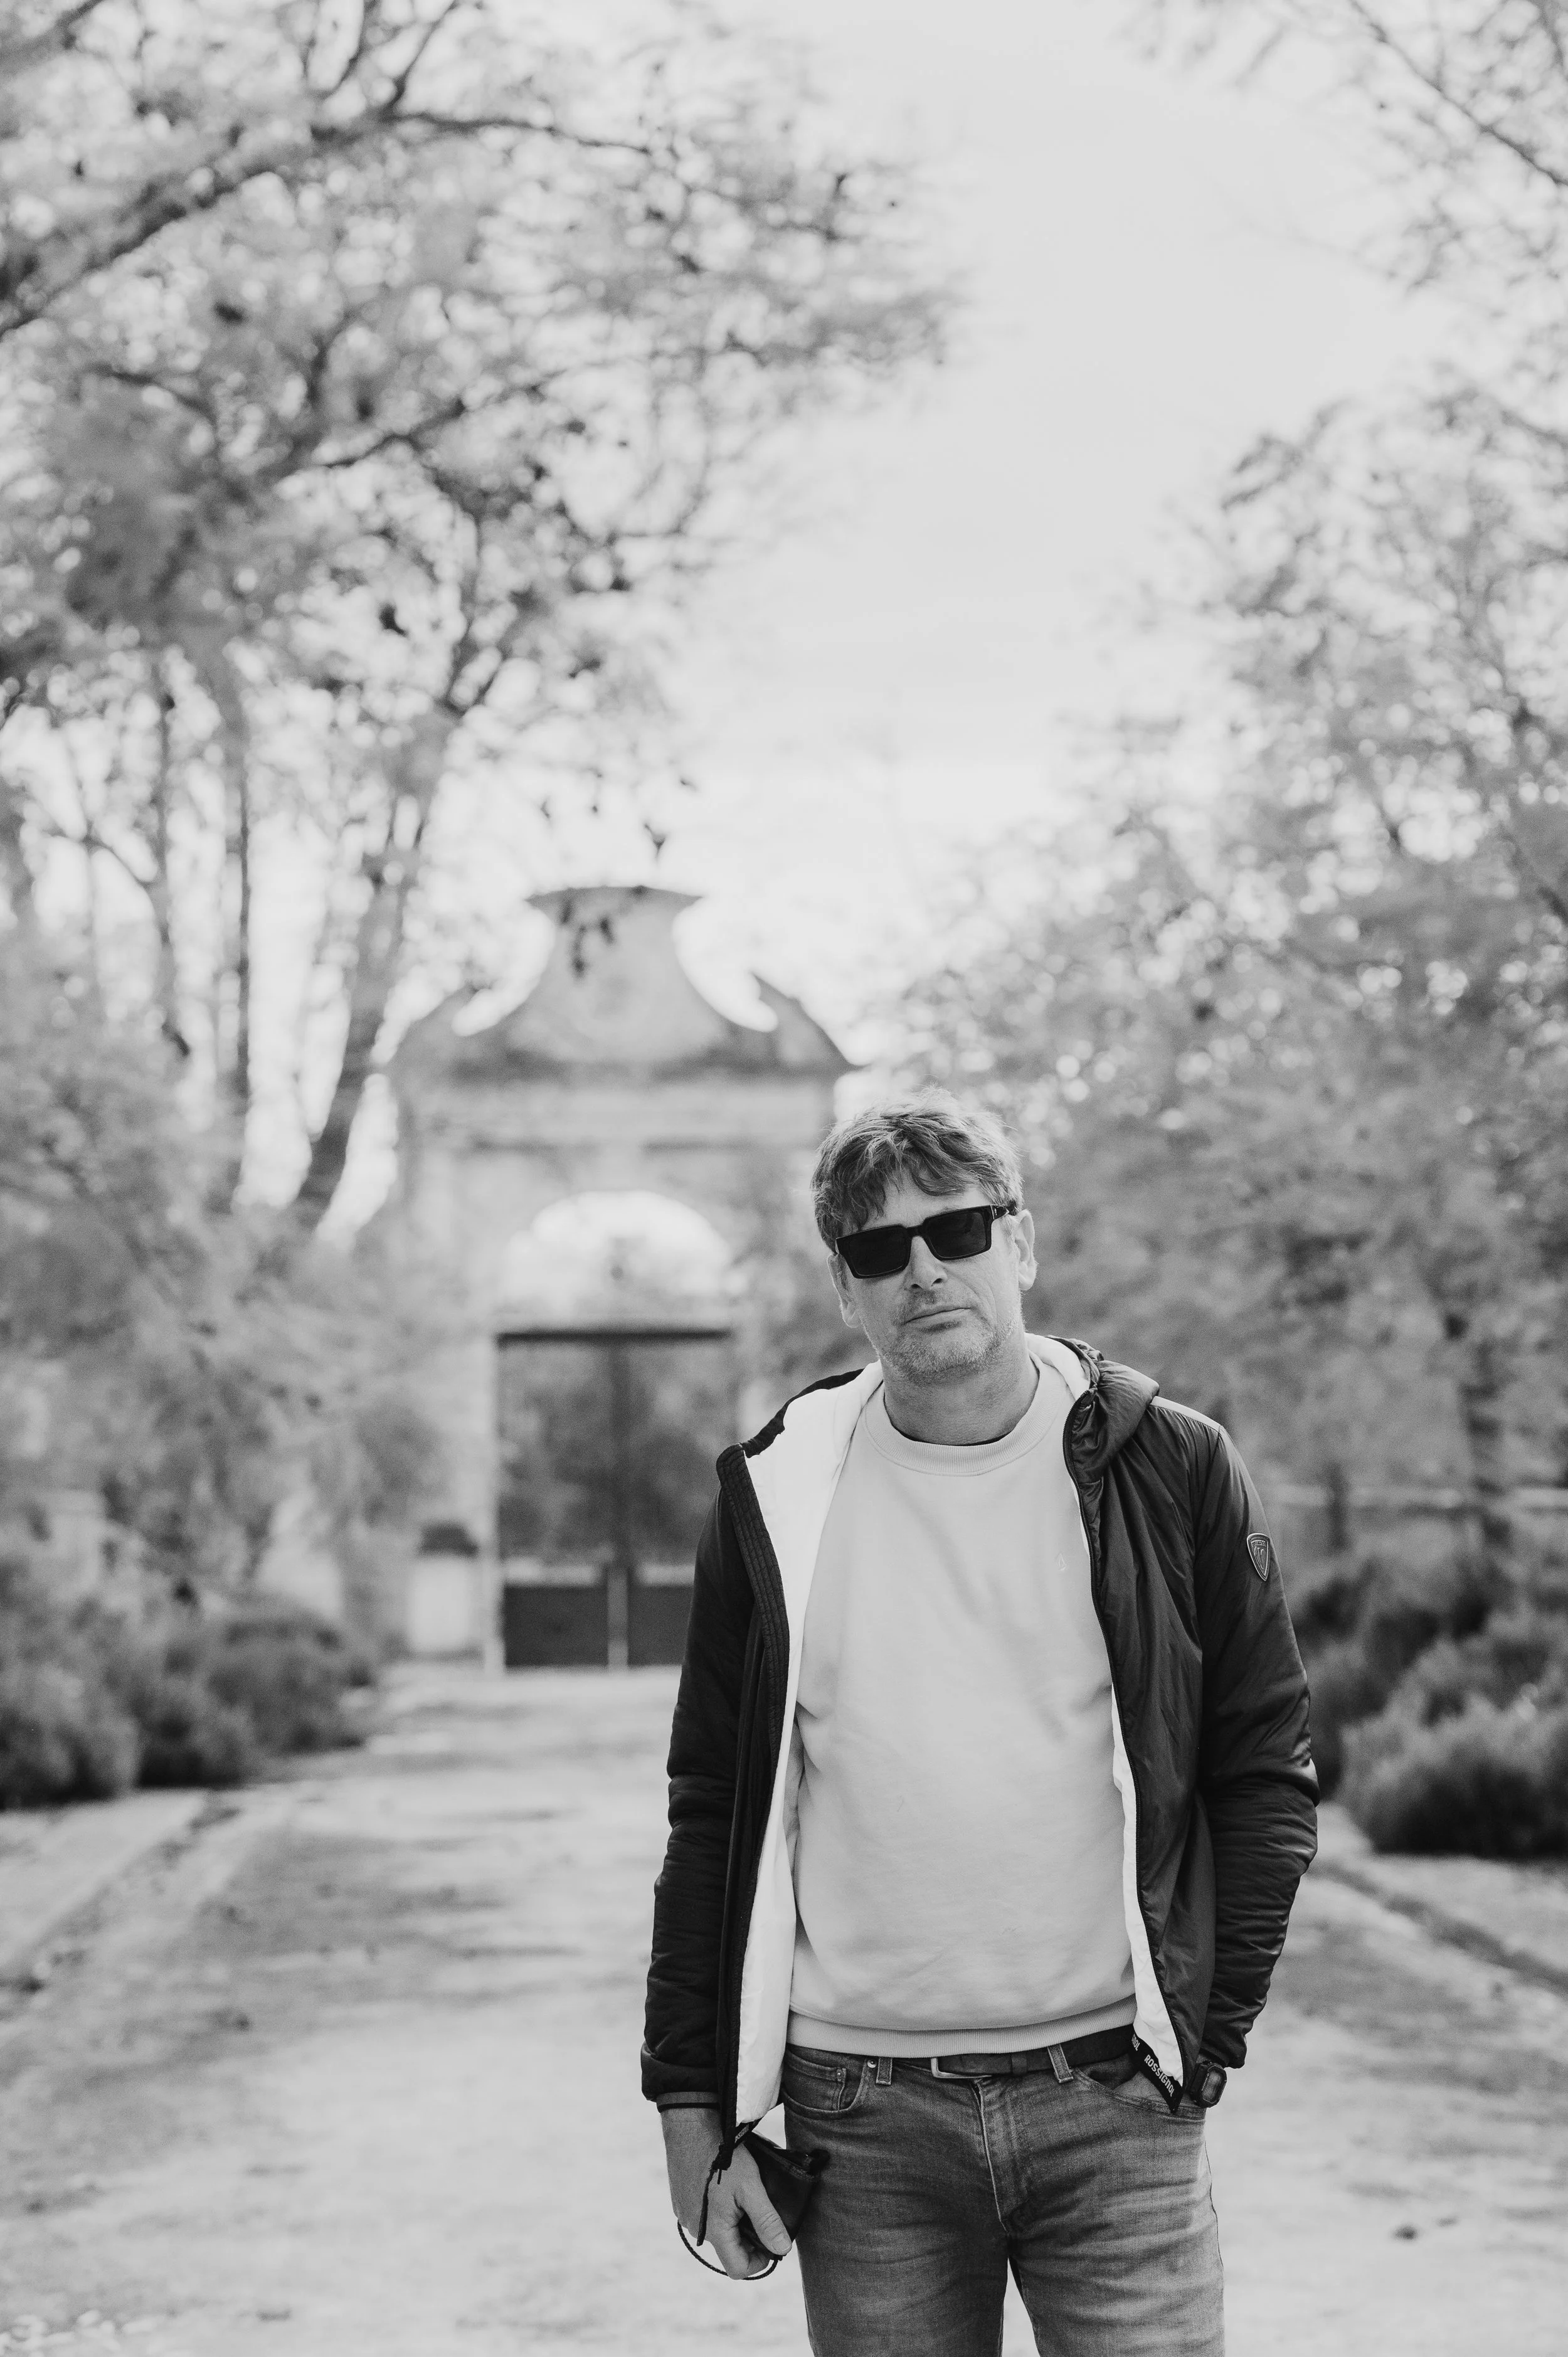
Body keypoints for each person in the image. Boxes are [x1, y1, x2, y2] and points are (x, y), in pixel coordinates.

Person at [642, 1092, 1317, 2356]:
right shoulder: (772, 1495)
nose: (923, 1271)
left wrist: (1205, 2032)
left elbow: (1261, 1770)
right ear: (845, 1289)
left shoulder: (1167, 1467)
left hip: (1115, 2099)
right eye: (877, 1249)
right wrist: (691, 2102)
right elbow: (712, 1810)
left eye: (954, 1230)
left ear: (1018, 1241)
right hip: (861, 2116)